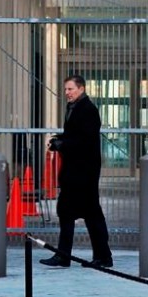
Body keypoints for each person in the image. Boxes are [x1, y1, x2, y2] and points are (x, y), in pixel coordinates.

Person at [40, 75, 113, 268]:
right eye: (65, 89)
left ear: (81, 89)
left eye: (70, 89)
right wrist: (60, 140)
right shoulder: (74, 107)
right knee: (69, 212)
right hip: (75, 171)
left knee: (89, 214)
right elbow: (76, 135)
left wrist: (62, 144)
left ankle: (100, 256)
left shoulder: (88, 110)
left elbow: (85, 140)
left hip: (83, 172)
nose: (67, 92)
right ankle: (68, 255)